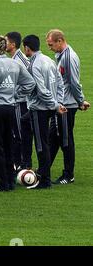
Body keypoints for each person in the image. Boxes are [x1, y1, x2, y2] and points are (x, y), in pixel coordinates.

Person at [0, 36, 35, 192]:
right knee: (9, 145)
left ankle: (2, 182)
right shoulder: (14, 64)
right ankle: (11, 180)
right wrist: (15, 94)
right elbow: (30, 83)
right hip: (11, 108)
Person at [46, 29, 90, 184]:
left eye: (51, 45)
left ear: (60, 41)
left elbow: (73, 82)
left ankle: (68, 174)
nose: (50, 48)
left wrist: (80, 101)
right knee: (53, 137)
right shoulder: (61, 55)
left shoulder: (69, 57)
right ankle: (44, 170)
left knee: (65, 140)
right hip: (61, 104)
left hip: (66, 106)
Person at [22, 34, 67, 189]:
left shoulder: (34, 66)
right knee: (28, 127)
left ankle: (44, 180)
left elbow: (41, 91)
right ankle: (41, 172)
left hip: (40, 109)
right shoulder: (48, 60)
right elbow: (60, 83)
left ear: (27, 48)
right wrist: (58, 102)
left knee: (41, 145)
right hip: (49, 108)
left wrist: (55, 105)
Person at [5, 31, 34, 171]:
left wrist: (18, 95)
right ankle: (20, 162)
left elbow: (31, 81)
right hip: (17, 101)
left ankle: (24, 163)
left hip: (21, 102)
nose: (4, 44)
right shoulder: (14, 58)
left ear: (13, 44)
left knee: (20, 133)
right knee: (16, 133)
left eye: (6, 41)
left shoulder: (20, 60)